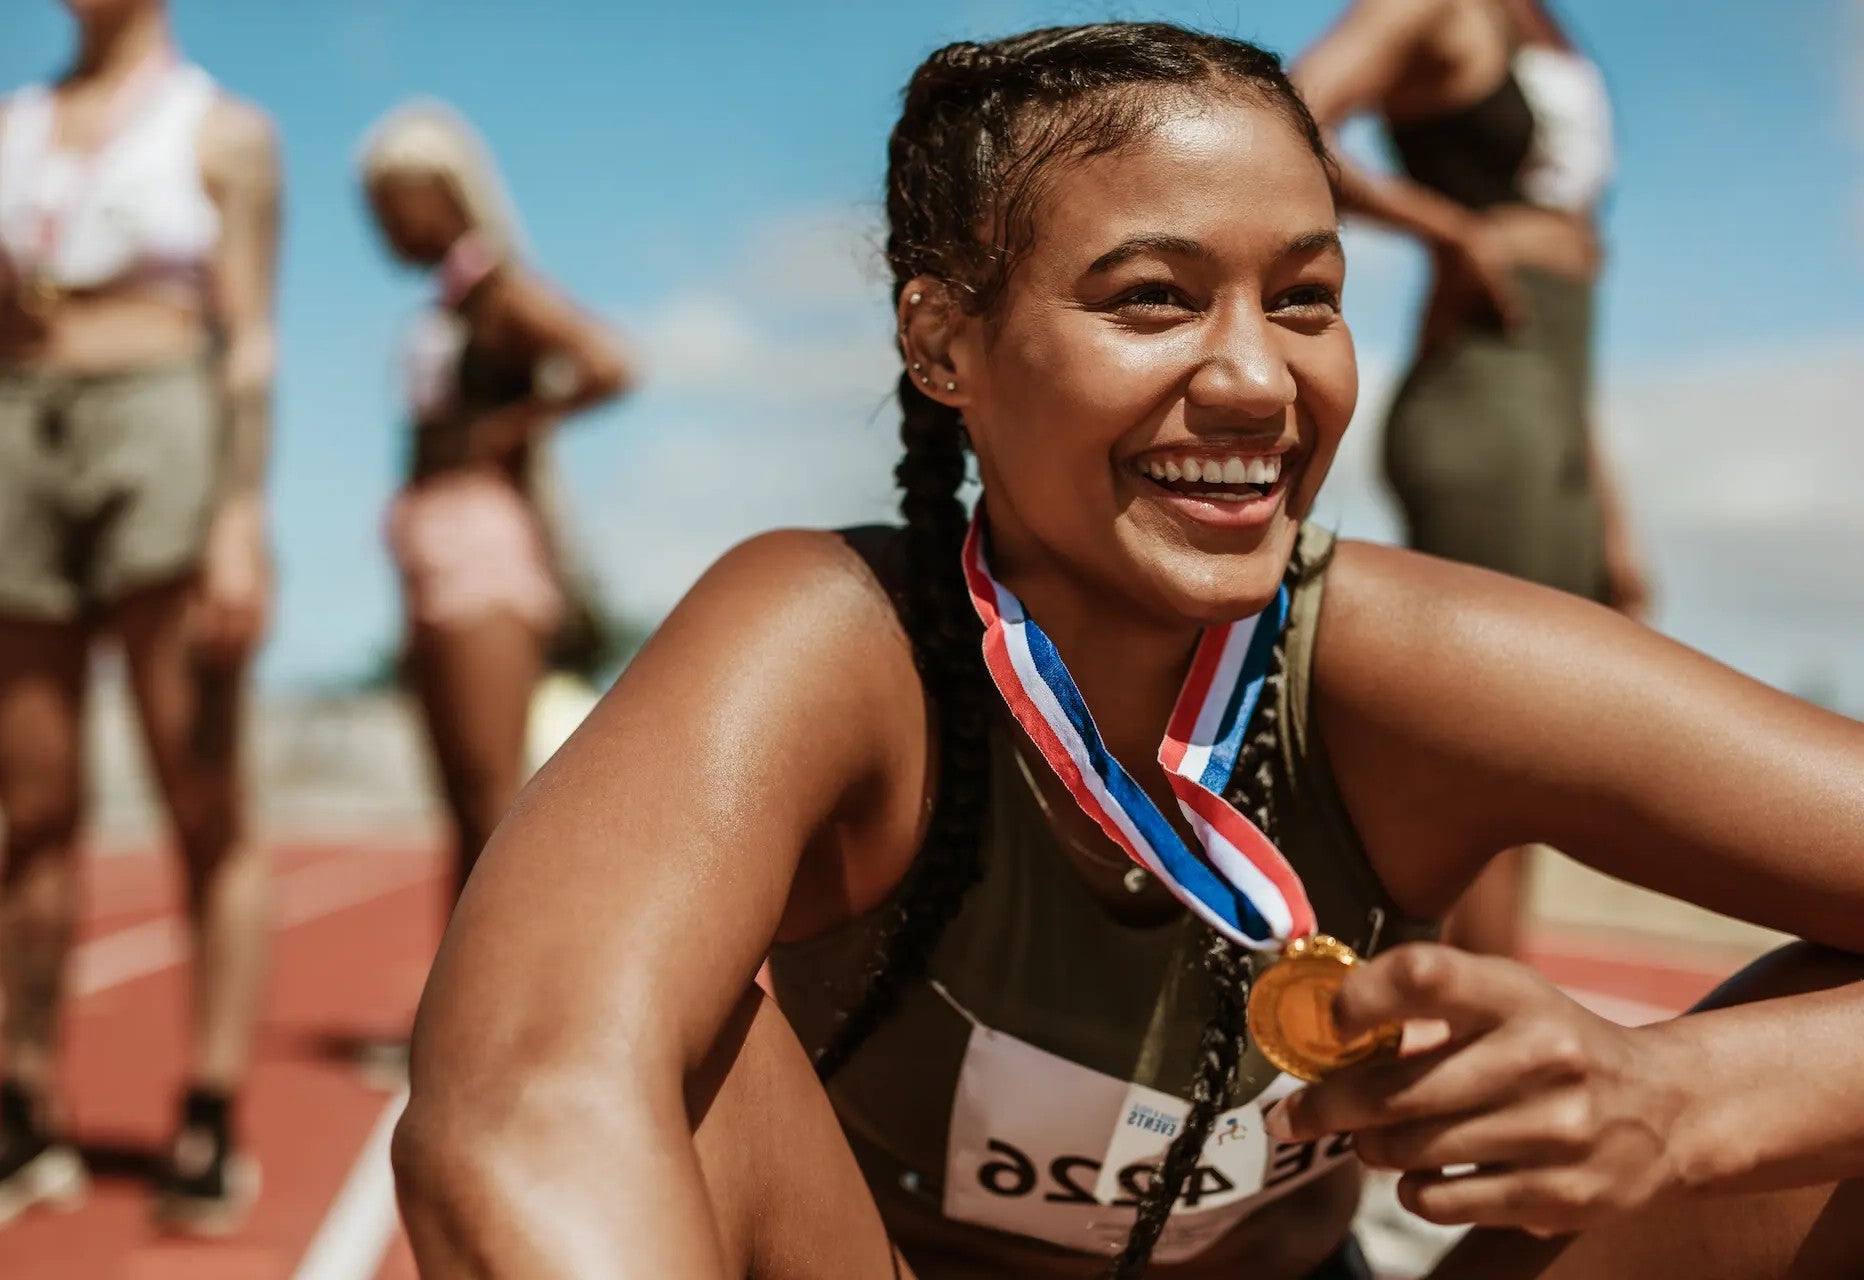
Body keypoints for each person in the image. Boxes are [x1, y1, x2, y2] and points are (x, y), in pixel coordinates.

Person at [390, 23, 1864, 1280]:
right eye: (1152, 296)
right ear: (942, 342)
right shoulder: (833, 640)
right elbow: (519, 1096)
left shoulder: (1412, 666)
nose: (1253, 378)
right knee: (655, 1066)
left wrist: (1679, 1095)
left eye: (1305, 300)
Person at [0, 0, 278, 1236]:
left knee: (204, 802)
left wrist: (238, 513)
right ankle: (26, 1106)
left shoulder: (226, 132)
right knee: (29, 809)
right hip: (19, 440)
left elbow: (249, 337)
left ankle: (209, 1104)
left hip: (162, 428)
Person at [1290, 0, 1645, 958]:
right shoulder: (1431, 7)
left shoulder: (1546, 28)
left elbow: (1562, 360)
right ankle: (1459, 1031)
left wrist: (1607, 511)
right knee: (1498, 740)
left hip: (1553, 398)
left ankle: (1475, 1013)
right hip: (1482, 396)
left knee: (1544, 743)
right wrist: (1447, 229)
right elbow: (1288, 116)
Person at [358, 103, 632, 906]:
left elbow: (607, 360)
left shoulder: (500, 293)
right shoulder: (441, 310)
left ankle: (501, 1009)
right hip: (429, 544)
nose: (384, 227)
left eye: (393, 203)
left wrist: (516, 426)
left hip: (482, 544)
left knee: (489, 792)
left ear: (447, 192)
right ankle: (457, 1002)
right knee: (458, 801)